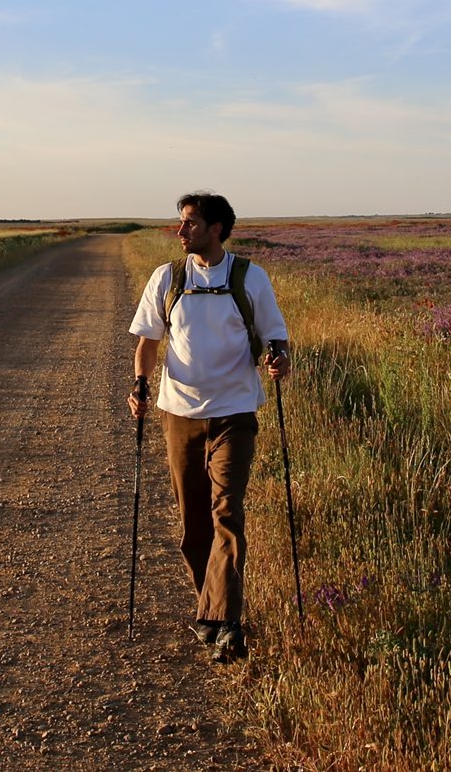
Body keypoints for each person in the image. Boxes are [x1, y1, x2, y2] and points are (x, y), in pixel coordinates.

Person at [128, 191, 290, 663]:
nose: (181, 232)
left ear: (217, 229)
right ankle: (210, 611)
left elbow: (276, 337)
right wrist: (139, 385)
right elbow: (147, 343)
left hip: (235, 412)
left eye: (191, 224)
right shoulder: (168, 278)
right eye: (182, 223)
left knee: (227, 513)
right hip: (179, 413)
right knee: (194, 526)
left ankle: (228, 622)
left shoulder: (249, 277)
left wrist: (278, 361)